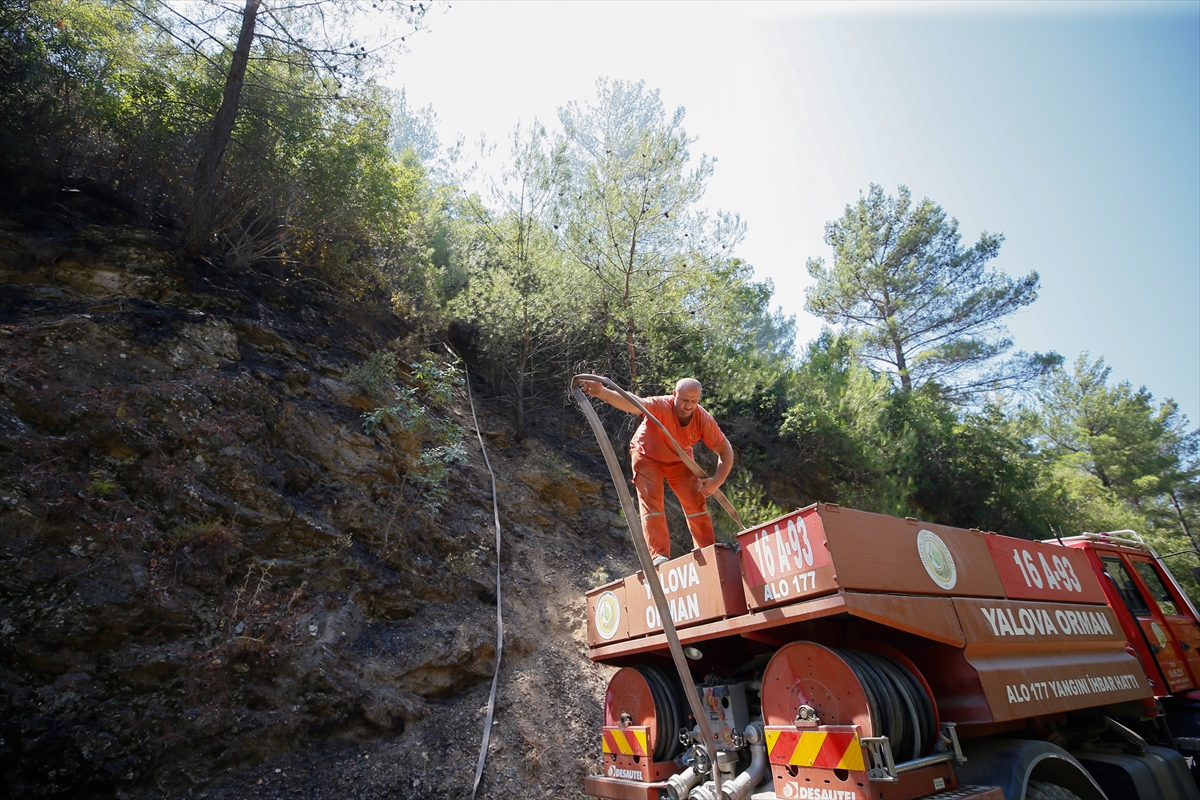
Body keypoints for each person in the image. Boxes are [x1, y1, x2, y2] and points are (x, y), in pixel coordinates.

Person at [578, 377, 733, 565]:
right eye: (684, 400)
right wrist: (603, 392)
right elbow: (635, 403)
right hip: (647, 454)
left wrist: (717, 480)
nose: (689, 405)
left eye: (694, 401)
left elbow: (725, 450)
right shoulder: (661, 405)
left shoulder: (703, 419)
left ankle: (708, 551)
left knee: (695, 500)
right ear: (675, 394)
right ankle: (659, 555)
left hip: (679, 458)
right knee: (652, 502)